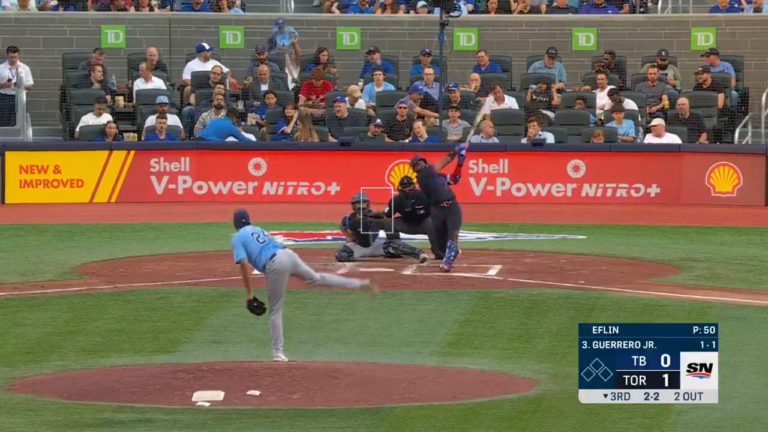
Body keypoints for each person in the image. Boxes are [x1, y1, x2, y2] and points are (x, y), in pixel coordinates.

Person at [232, 209, 373, 362]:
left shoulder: (238, 237)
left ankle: (278, 352)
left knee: (275, 310)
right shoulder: (258, 229)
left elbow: (244, 264)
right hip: (289, 255)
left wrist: (249, 294)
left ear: (235, 224)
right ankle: (358, 284)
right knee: (316, 278)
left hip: (275, 264)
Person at [410, 145, 467, 272]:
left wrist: (460, 164)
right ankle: (448, 251)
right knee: (442, 243)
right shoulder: (423, 176)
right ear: (415, 169)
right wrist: (455, 151)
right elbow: (443, 162)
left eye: (421, 162)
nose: (420, 165)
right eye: (417, 165)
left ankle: (448, 262)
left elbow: (454, 179)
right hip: (438, 210)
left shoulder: (436, 175)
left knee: (453, 235)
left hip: (452, 207)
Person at [335, 192, 428, 263]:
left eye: (363, 203)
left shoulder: (375, 216)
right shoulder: (348, 219)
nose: (360, 206)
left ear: (367, 204)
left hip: (376, 246)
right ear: (353, 205)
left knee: (394, 244)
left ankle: (419, 254)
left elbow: (386, 224)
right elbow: (342, 226)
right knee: (341, 255)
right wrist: (348, 237)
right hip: (358, 247)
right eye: (357, 204)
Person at [380, 176, 443, 259]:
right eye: (404, 187)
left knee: (435, 221)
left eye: (408, 187)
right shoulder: (396, 200)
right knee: (388, 223)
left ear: (414, 186)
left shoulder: (424, 196)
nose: (407, 190)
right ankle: (395, 249)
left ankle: (438, 250)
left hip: (424, 223)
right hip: (407, 224)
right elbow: (388, 214)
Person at [0, 46, 34, 127]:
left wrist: (20, 85)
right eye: (11, 57)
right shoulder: (1, 68)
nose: (13, 59)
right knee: (4, 119)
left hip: (20, 96)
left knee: (20, 119)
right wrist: (4, 84)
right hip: (5, 96)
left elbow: (31, 87)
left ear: (18, 55)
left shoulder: (25, 68)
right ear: (7, 56)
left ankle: (19, 138)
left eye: (15, 57)